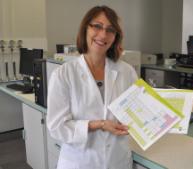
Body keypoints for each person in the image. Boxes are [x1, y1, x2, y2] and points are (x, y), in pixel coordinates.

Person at [46, 5, 138, 169]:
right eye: (97, 26)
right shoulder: (64, 74)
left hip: (117, 160)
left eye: (110, 29)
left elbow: (137, 112)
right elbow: (56, 127)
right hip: (80, 161)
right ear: (85, 29)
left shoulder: (126, 71)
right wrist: (99, 124)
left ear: (115, 36)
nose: (103, 34)